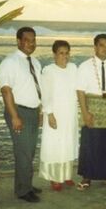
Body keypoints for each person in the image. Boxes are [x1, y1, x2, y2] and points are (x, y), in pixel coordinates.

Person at [76, 34, 106, 190]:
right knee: (90, 142)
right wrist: (85, 112)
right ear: (95, 47)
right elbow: (80, 91)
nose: (105, 48)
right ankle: (87, 177)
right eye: (102, 45)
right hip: (93, 107)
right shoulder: (84, 66)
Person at [0, 27, 43, 203]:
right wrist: (15, 116)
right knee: (23, 152)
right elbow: (6, 90)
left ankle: (26, 184)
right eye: (27, 40)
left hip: (33, 112)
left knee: (29, 152)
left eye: (33, 40)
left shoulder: (36, 62)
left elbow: (36, 89)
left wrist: (39, 111)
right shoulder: (9, 62)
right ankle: (23, 191)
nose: (31, 43)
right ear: (18, 41)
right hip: (18, 111)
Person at [39, 40, 79, 191]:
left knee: (68, 143)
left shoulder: (73, 68)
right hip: (55, 113)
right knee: (55, 145)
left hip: (70, 113)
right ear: (54, 54)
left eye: (67, 53)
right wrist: (49, 114)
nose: (65, 56)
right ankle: (55, 178)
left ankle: (66, 175)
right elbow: (46, 95)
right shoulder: (49, 70)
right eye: (61, 53)